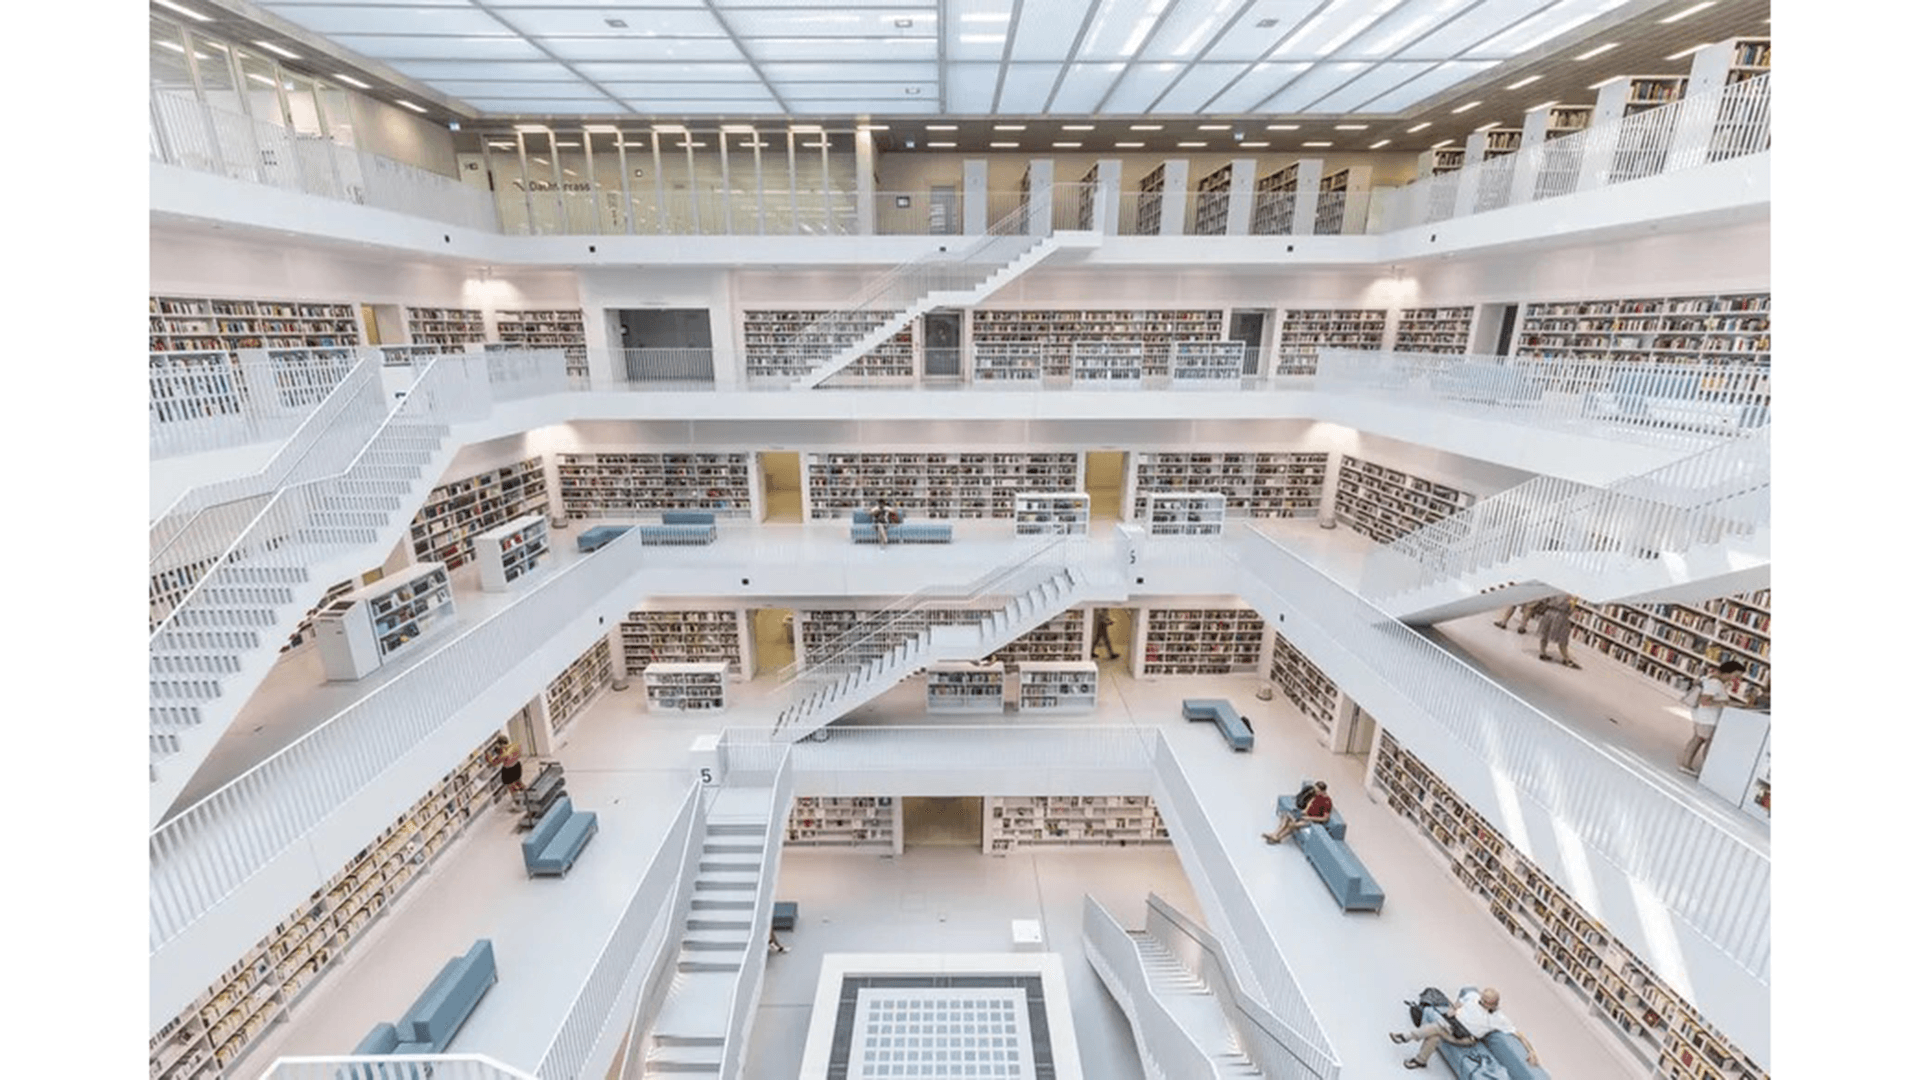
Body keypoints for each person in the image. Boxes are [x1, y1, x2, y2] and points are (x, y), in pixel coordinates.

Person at [1390, 986, 1540, 1070]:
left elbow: (1519, 1034)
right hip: (1453, 1025)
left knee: (1438, 1028)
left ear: (1494, 1004)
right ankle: (1420, 1061)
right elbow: (1460, 1002)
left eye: (1485, 1002)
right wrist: (1454, 1009)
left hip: (1466, 1038)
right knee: (1436, 1033)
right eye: (1482, 999)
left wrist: (1532, 1052)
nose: (1481, 1003)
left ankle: (1406, 1037)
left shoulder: (1499, 1019)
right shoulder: (1474, 997)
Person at [1680, 659, 1747, 776]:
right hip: (1707, 719)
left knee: (1697, 740)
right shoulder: (1715, 683)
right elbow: (1705, 701)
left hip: (1703, 717)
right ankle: (1699, 770)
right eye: (1736, 675)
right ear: (1728, 672)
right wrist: (1725, 704)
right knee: (1704, 744)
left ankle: (1686, 764)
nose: (1736, 679)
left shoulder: (1712, 679)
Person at [1263, 780, 1332, 845]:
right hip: (1305, 815)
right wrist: (1302, 813)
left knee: (1292, 824)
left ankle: (1279, 838)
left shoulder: (1327, 802)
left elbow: (1325, 818)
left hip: (1312, 820)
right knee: (1286, 817)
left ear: (1322, 791)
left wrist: (1308, 818)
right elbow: (1309, 805)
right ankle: (1275, 834)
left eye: (1317, 791)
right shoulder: (1316, 796)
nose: (1315, 792)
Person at [1535, 595, 1579, 668]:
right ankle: (1566, 659)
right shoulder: (1572, 594)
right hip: (1561, 615)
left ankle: (1542, 653)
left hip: (1549, 612)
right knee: (1563, 637)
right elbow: (1571, 610)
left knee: (1545, 633)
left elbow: (1545, 600)